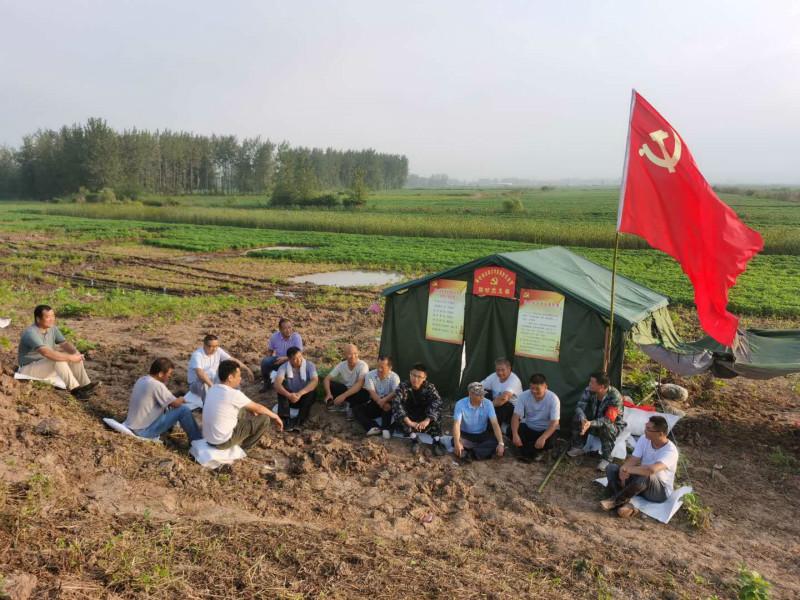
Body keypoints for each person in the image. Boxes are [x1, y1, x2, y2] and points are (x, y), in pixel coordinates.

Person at [601, 416, 679, 518]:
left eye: (648, 429)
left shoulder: (670, 451)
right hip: (641, 484)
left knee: (645, 474)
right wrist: (623, 470)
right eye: (646, 427)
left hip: (659, 491)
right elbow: (634, 459)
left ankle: (615, 501)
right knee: (611, 468)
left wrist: (629, 470)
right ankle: (625, 503)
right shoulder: (644, 439)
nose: (645, 430)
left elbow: (651, 470)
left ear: (660, 434)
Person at [17, 304, 97, 397]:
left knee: (72, 356)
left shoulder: (52, 328)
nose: (52, 319)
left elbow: (64, 344)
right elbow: (46, 353)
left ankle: (86, 385)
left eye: (53, 316)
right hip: (28, 369)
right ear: (38, 319)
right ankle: (76, 391)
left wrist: (75, 353)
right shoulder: (31, 333)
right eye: (48, 317)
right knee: (57, 360)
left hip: (45, 365)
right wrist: (70, 358)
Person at [202, 360, 283, 450]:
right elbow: (259, 408)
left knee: (242, 407)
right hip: (222, 442)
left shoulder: (213, 388)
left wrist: (252, 409)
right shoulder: (233, 394)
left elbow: (251, 407)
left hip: (209, 438)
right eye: (238, 376)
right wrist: (275, 416)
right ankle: (245, 449)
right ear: (230, 378)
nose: (240, 379)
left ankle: (239, 434)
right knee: (264, 419)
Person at [124, 358, 201, 441]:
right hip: (143, 431)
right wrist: (182, 398)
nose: (169, 377)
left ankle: (169, 430)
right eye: (169, 374)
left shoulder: (142, 379)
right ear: (160, 374)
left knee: (168, 407)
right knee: (183, 410)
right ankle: (197, 440)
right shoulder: (157, 385)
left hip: (132, 426)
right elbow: (176, 404)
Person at [567, 371, 625, 471]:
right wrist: (583, 419)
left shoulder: (615, 396)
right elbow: (579, 407)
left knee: (606, 426)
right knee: (577, 416)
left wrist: (590, 423)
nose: (589, 384)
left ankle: (607, 458)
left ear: (601, 386)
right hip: (593, 422)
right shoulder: (589, 390)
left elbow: (608, 420)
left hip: (612, 426)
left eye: (592, 382)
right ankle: (578, 446)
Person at [392, 363, 446, 456]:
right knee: (397, 413)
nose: (415, 379)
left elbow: (437, 401)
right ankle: (414, 439)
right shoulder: (403, 386)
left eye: (419, 377)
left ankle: (436, 441)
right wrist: (409, 422)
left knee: (437, 412)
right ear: (410, 374)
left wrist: (427, 420)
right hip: (409, 417)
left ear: (424, 378)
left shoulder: (429, 387)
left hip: (424, 416)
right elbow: (397, 403)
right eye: (413, 375)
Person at [188, 334, 253, 401]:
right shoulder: (197, 355)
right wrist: (212, 387)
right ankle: (207, 404)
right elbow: (200, 373)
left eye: (216, 346)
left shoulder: (218, 350)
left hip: (214, 379)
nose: (214, 349)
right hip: (197, 383)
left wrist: (246, 368)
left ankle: (238, 399)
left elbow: (231, 359)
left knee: (231, 378)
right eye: (211, 346)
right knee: (205, 383)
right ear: (204, 345)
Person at [511, 373, 560, 461]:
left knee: (550, 441)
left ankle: (529, 452)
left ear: (545, 387)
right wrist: (515, 434)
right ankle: (534, 451)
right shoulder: (523, 396)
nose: (534, 391)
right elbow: (516, 417)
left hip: (545, 429)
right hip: (529, 426)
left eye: (537, 389)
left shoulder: (553, 399)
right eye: (532, 388)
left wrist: (543, 437)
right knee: (513, 432)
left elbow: (555, 423)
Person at [452, 382, 505, 461]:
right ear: (470, 394)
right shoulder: (460, 404)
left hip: (482, 434)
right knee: (455, 441)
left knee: (496, 441)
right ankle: (477, 452)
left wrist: (501, 443)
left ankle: (471, 453)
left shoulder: (488, 403)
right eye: (479, 395)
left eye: (482, 394)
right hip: (465, 435)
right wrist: (457, 443)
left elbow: (495, 424)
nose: (482, 397)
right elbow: (456, 424)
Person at [273, 346, 318, 431]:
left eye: (300, 357)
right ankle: (285, 419)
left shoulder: (310, 365)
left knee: (312, 390)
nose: (299, 360)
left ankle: (300, 421)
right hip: (291, 397)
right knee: (281, 388)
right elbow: (277, 384)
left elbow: (315, 381)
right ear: (289, 360)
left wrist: (300, 393)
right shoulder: (283, 367)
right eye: (295, 359)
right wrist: (288, 395)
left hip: (304, 397)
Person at [356, 355, 400, 437]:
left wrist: (384, 400)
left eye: (382, 367)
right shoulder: (370, 375)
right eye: (378, 366)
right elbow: (372, 392)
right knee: (357, 409)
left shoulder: (395, 377)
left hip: (388, 401)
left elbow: (395, 392)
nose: (379, 369)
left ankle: (385, 428)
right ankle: (373, 427)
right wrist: (381, 402)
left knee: (388, 406)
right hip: (376, 401)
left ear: (390, 368)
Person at [323, 344, 369, 418]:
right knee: (331, 385)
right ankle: (345, 404)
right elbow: (326, 379)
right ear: (345, 355)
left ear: (358, 353)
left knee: (364, 394)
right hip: (347, 390)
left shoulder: (363, 365)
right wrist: (328, 393)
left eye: (355, 353)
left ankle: (349, 406)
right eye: (350, 354)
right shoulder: (342, 365)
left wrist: (343, 396)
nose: (353, 356)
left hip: (358, 392)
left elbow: (359, 384)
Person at [480, 357, 523, 432]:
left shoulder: (514, 380)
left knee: (504, 406)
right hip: (496, 404)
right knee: (483, 393)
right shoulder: (494, 376)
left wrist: (486, 407)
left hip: (513, 410)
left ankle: (494, 431)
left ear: (509, 369)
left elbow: (503, 399)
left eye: (503, 370)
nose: (500, 373)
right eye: (498, 370)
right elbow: (478, 386)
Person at [260, 318, 303, 391]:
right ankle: (267, 383)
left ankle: (289, 383)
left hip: (292, 361)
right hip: (278, 360)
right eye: (285, 328)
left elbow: (298, 354)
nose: (288, 330)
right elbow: (270, 351)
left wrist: (285, 358)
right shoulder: (274, 337)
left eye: (289, 327)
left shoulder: (296, 337)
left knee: (288, 381)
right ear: (280, 329)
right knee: (265, 361)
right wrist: (269, 362)